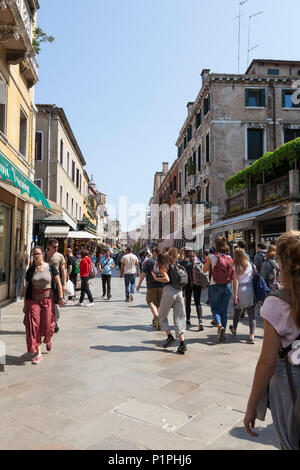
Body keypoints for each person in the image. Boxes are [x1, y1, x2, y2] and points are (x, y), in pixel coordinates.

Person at [244, 231, 300, 450]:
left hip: (290, 382)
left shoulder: (276, 302)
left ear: (281, 263)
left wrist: (251, 408)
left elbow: (267, 362)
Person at [23, 245, 64, 364]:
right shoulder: (30, 270)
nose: (36, 256)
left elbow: (58, 283)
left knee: (46, 325)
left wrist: (60, 297)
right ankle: (39, 353)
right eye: (34, 254)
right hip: (33, 300)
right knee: (33, 326)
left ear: (43, 254)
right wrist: (25, 304)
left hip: (48, 299)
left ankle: (48, 338)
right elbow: (26, 288)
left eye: (38, 253)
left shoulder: (50, 267)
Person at [153, 251, 187, 354]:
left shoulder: (163, 266)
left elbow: (166, 279)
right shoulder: (174, 264)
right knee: (180, 317)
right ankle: (182, 344)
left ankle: (169, 336)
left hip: (169, 292)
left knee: (162, 316)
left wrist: (156, 278)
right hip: (179, 292)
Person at [203, 236, 233, 343]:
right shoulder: (229, 258)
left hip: (214, 285)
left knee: (215, 309)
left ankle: (220, 326)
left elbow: (204, 269)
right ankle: (223, 333)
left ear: (215, 245)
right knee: (223, 310)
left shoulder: (211, 257)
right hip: (227, 286)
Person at [229, 248, 257, 344]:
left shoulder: (235, 266)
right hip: (250, 289)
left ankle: (234, 329)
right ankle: (251, 335)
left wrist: (235, 296)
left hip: (240, 289)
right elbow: (255, 273)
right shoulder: (249, 264)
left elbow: (235, 281)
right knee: (251, 313)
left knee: (237, 311)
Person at [136, 246, 163, 330]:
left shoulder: (149, 261)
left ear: (154, 252)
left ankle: (156, 316)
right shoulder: (164, 261)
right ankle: (156, 319)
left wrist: (139, 285)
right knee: (158, 303)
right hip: (162, 284)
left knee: (150, 301)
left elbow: (143, 274)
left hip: (151, 285)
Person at [179, 249, 204, 331]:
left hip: (188, 284)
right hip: (197, 284)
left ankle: (188, 320)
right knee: (198, 302)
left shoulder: (183, 262)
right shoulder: (197, 260)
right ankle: (200, 321)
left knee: (188, 302)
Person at [46, 239, 67, 333]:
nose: (56, 248)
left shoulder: (60, 256)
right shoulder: (43, 256)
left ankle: (55, 321)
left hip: (55, 284)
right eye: (54, 246)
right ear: (49, 246)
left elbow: (63, 271)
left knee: (56, 306)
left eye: (57, 246)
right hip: (45, 284)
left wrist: (64, 284)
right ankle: (49, 323)